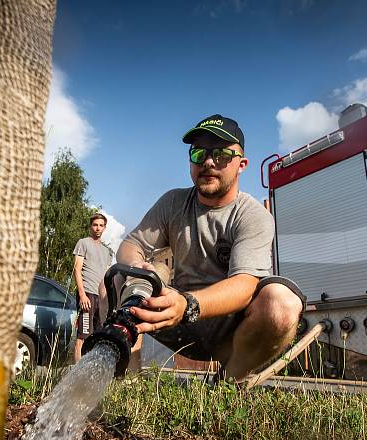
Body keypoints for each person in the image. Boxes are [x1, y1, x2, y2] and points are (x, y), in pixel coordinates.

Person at [115, 114, 305, 379]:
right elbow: (131, 244)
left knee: (281, 303)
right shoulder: (173, 202)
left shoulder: (252, 215)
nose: (208, 162)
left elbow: (245, 284)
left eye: (221, 155)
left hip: (230, 331)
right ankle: (125, 380)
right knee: (126, 276)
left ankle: (229, 383)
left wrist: (187, 304)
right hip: (175, 320)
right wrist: (138, 267)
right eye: (198, 153)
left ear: (242, 164)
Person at [73, 213, 113, 362]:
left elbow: (108, 277)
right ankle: (75, 375)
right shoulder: (83, 243)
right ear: (91, 226)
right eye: (95, 225)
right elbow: (77, 269)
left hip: (102, 298)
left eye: (101, 225)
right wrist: (82, 295)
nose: (98, 228)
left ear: (104, 228)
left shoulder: (107, 251)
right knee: (82, 337)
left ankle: (90, 373)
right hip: (87, 295)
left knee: (97, 337)